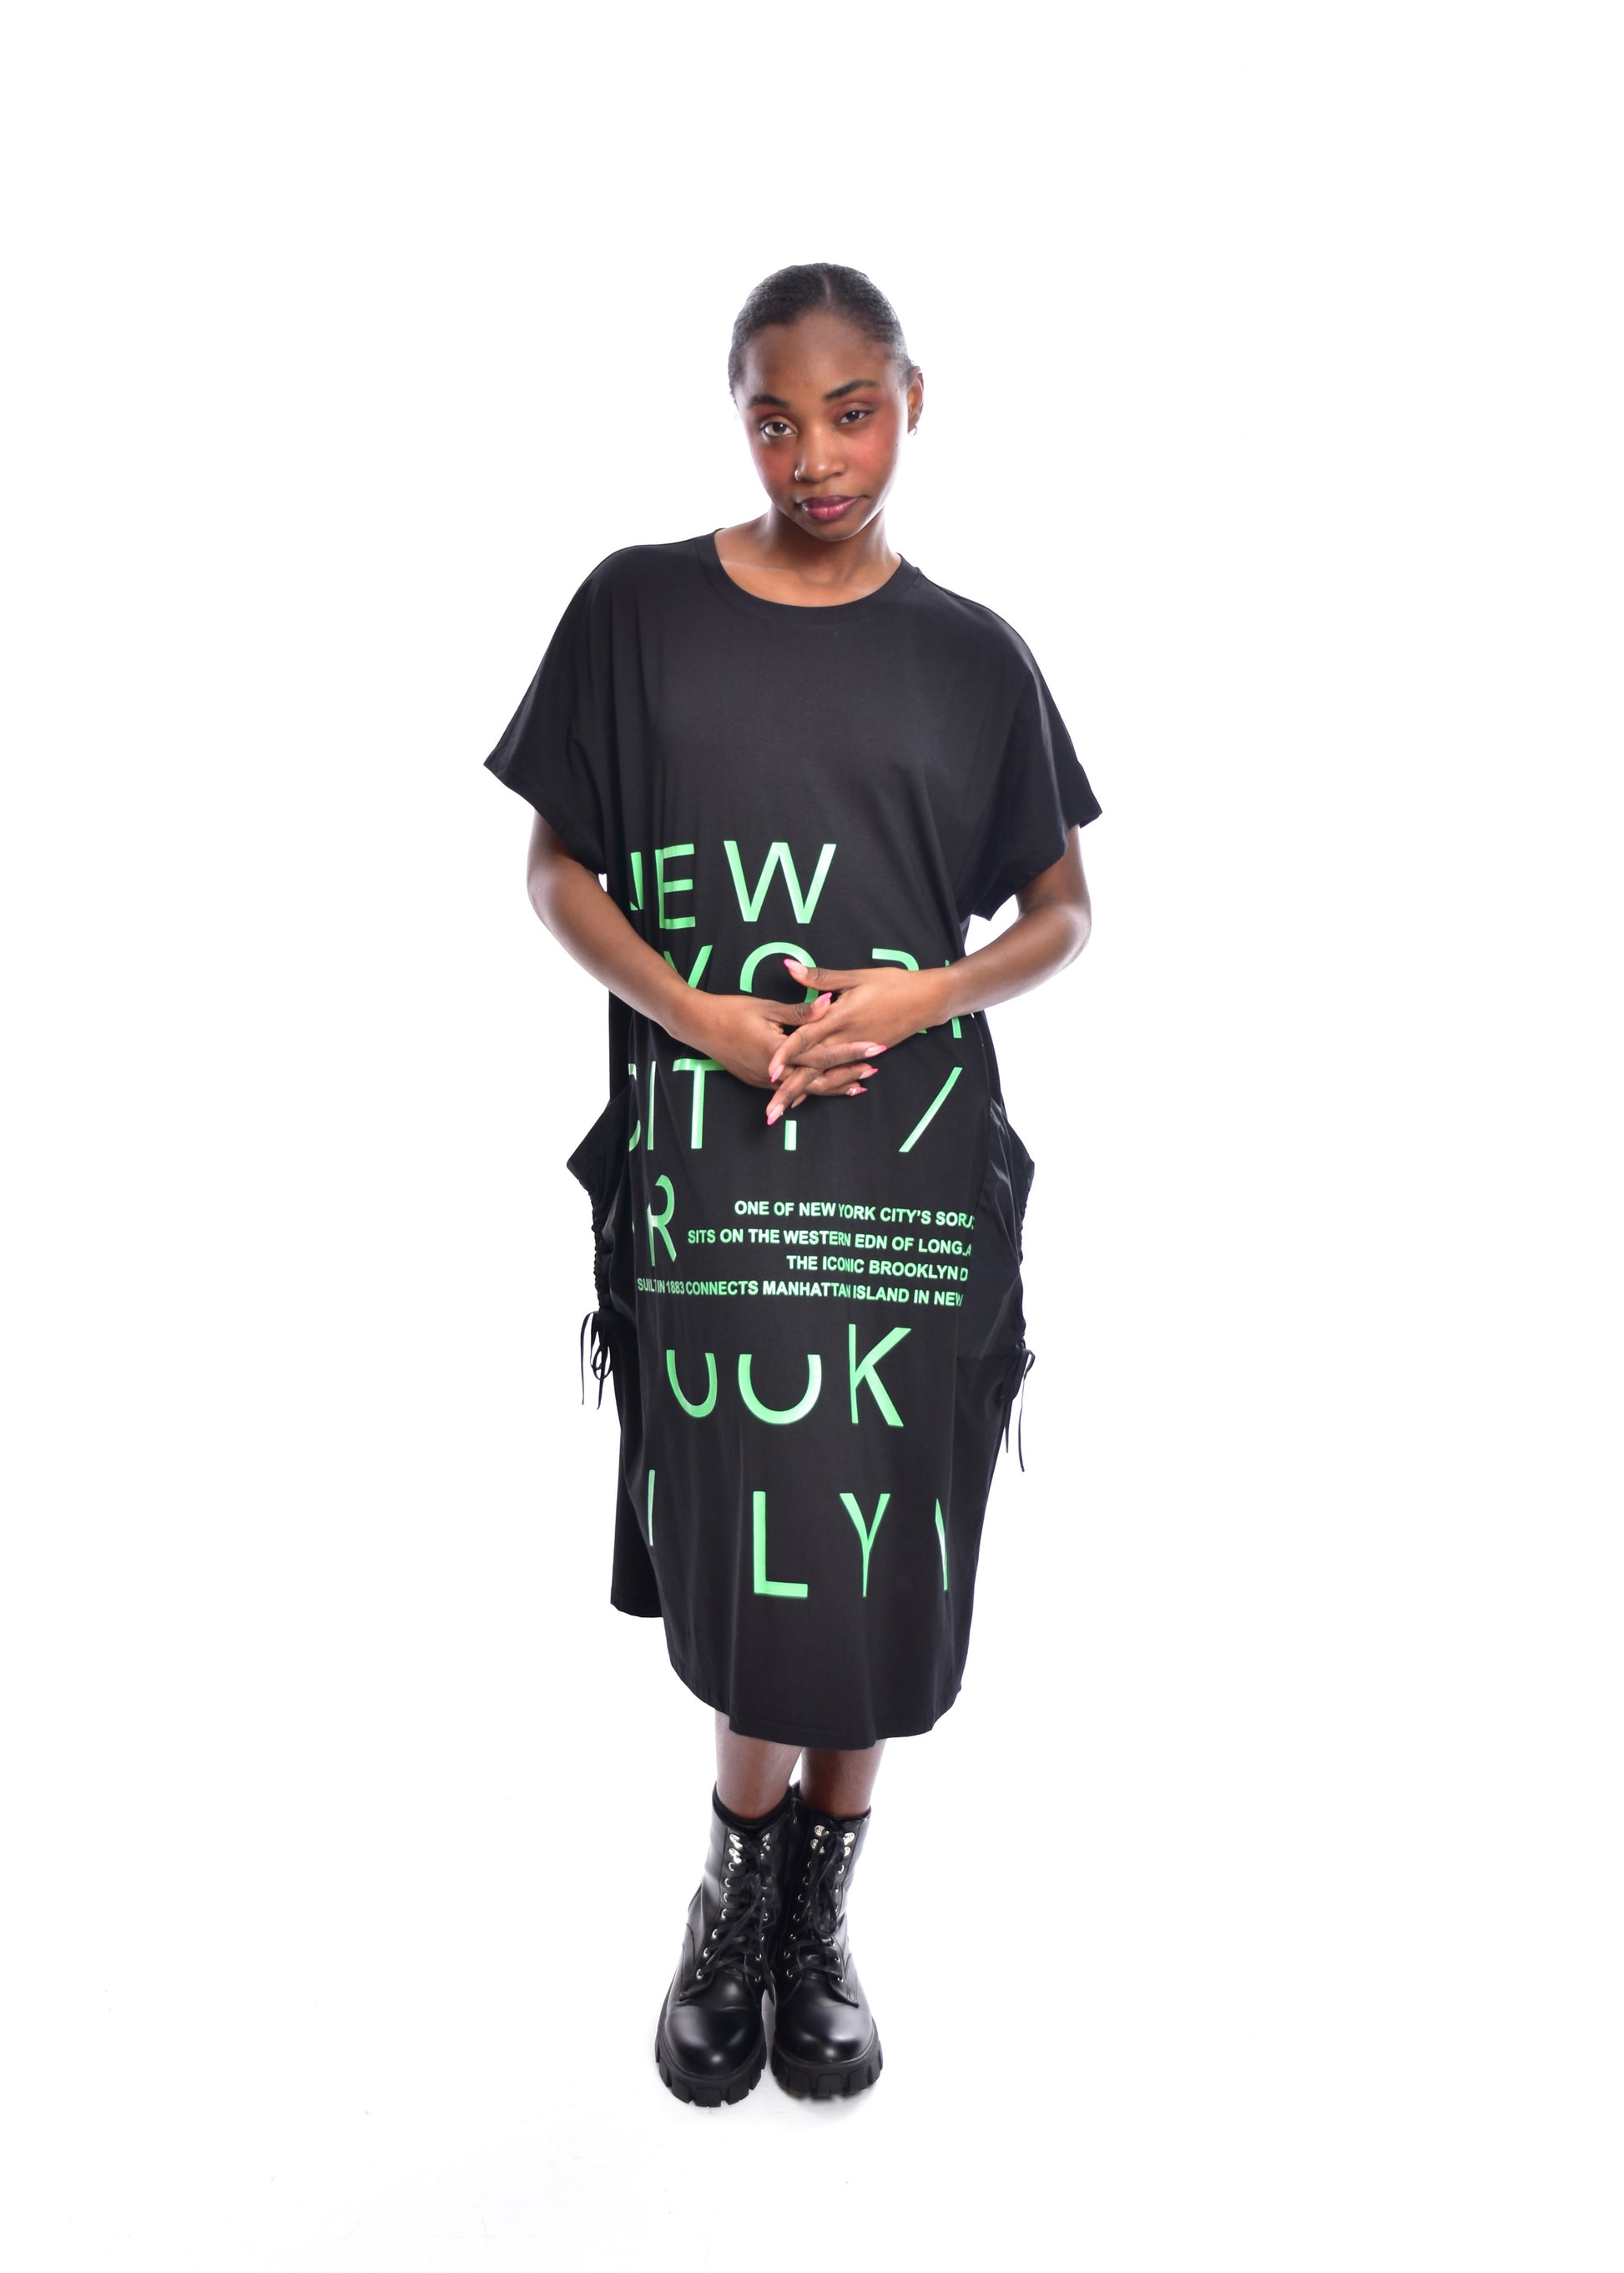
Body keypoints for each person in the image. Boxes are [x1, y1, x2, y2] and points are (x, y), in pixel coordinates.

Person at [482, 263, 1101, 2106]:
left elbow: (1062, 913)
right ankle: (736, 1890)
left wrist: (925, 990)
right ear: (737, 417)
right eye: (775, 418)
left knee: (882, 1550)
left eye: (850, 411)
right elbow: (558, 872)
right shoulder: (638, 610)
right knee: (764, 1549)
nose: (816, 455)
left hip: (907, 1170)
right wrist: (698, 1016)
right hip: (717, 1156)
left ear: (912, 399)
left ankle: (811, 1911)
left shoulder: (974, 657)